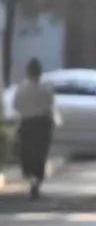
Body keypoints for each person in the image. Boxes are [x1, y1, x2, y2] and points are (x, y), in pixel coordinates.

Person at [12, 58, 55, 200]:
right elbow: (50, 105)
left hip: (27, 123)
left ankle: (32, 179)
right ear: (40, 72)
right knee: (40, 155)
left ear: (28, 72)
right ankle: (36, 182)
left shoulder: (21, 88)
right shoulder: (45, 88)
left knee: (27, 154)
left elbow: (16, 106)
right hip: (42, 124)